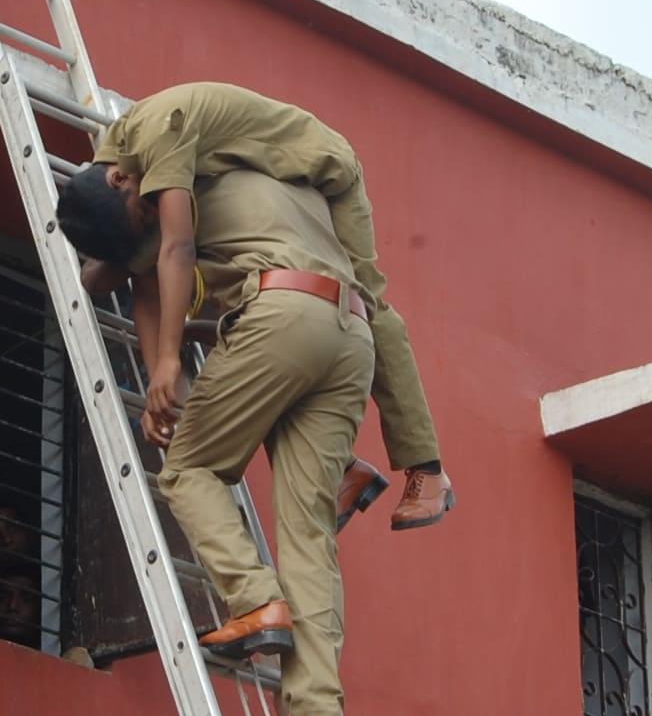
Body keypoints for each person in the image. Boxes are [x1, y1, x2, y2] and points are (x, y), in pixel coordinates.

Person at [69, 164, 375, 716]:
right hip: (350, 332)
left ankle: (256, 598)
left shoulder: (163, 221)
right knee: (308, 536)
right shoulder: (233, 183)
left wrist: (165, 377)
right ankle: (315, 714)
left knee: (187, 470)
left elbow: (106, 275)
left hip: (282, 317)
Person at [55, 82, 455, 531]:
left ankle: (426, 467)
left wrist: (167, 360)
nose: (149, 214)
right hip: (257, 200)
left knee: (366, 303)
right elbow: (121, 273)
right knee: (113, 279)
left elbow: (177, 248)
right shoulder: (122, 168)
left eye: (143, 211)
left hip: (318, 171)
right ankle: (345, 471)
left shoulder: (157, 132)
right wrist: (162, 391)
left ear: (119, 178)